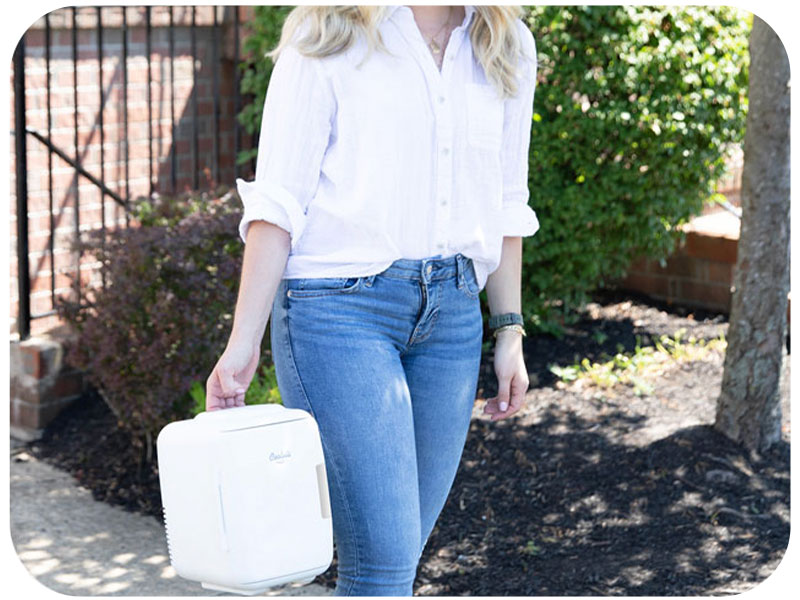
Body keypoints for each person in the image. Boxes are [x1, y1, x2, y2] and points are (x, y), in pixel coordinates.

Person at [205, 5, 539, 596]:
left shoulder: (506, 43)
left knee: (400, 554)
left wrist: (508, 330)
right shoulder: (329, 32)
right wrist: (242, 344)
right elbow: (279, 200)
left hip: (453, 315)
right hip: (338, 313)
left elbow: (507, 200)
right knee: (382, 562)